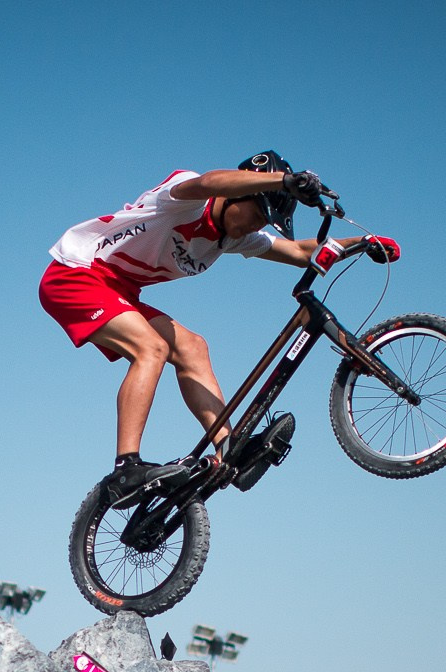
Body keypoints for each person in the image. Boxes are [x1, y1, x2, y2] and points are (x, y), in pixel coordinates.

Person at [40, 150, 398, 489]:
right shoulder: (185, 200)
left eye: (264, 222)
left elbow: (299, 251)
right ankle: (125, 469)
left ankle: (229, 449)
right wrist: (283, 182)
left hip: (118, 290)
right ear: (239, 194)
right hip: (75, 274)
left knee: (193, 348)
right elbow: (210, 181)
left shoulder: (231, 238)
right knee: (152, 348)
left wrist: (364, 242)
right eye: (257, 215)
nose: (255, 226)